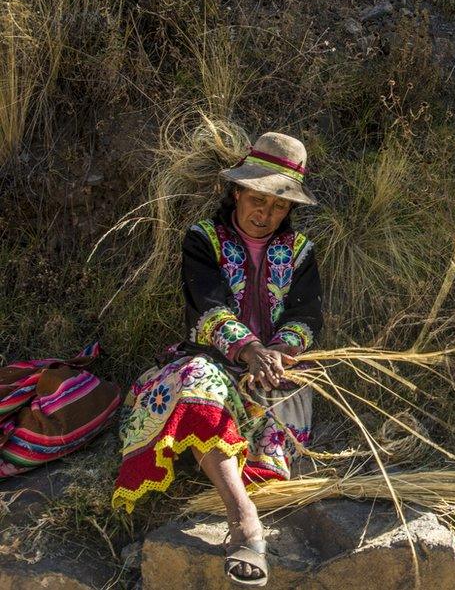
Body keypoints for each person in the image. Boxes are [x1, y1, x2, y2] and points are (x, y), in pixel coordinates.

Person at [112, 132, 323, 586]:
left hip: (273, 369)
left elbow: (307, 316)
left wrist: (279, 354)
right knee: (198, 381)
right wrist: (249, 351)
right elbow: (207, 306)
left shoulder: (301, 252)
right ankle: (243, 518)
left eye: (280, 206)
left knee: (278, 402)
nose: (266, 214)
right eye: (257, 200)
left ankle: (228, 463)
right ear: (236, 193)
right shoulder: (202, 240)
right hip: (210, 358)